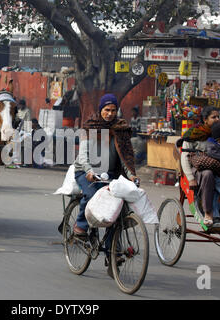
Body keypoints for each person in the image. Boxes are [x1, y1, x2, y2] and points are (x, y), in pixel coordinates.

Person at [73, 93, 139, 277]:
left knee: (116, 209)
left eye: (113, 110)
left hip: (110, 174)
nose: (110, 113)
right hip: (85, 172)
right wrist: (88, 171)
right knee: (93, 195)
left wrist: (132, 175)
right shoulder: (90, 127)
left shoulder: (121, 129)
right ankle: (80, 226)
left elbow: (126, 156)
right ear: (100, 110)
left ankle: (113, 252)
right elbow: (84, 154)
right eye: (106, 110)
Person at [180, 106, 220, 227]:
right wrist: (190, 178)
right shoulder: (194, 133)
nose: (217, 119)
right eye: (213, 117)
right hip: (199, 168)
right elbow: (184, 156)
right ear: (205, 119)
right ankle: (208, 212)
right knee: (208, 173)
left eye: (218, 117)